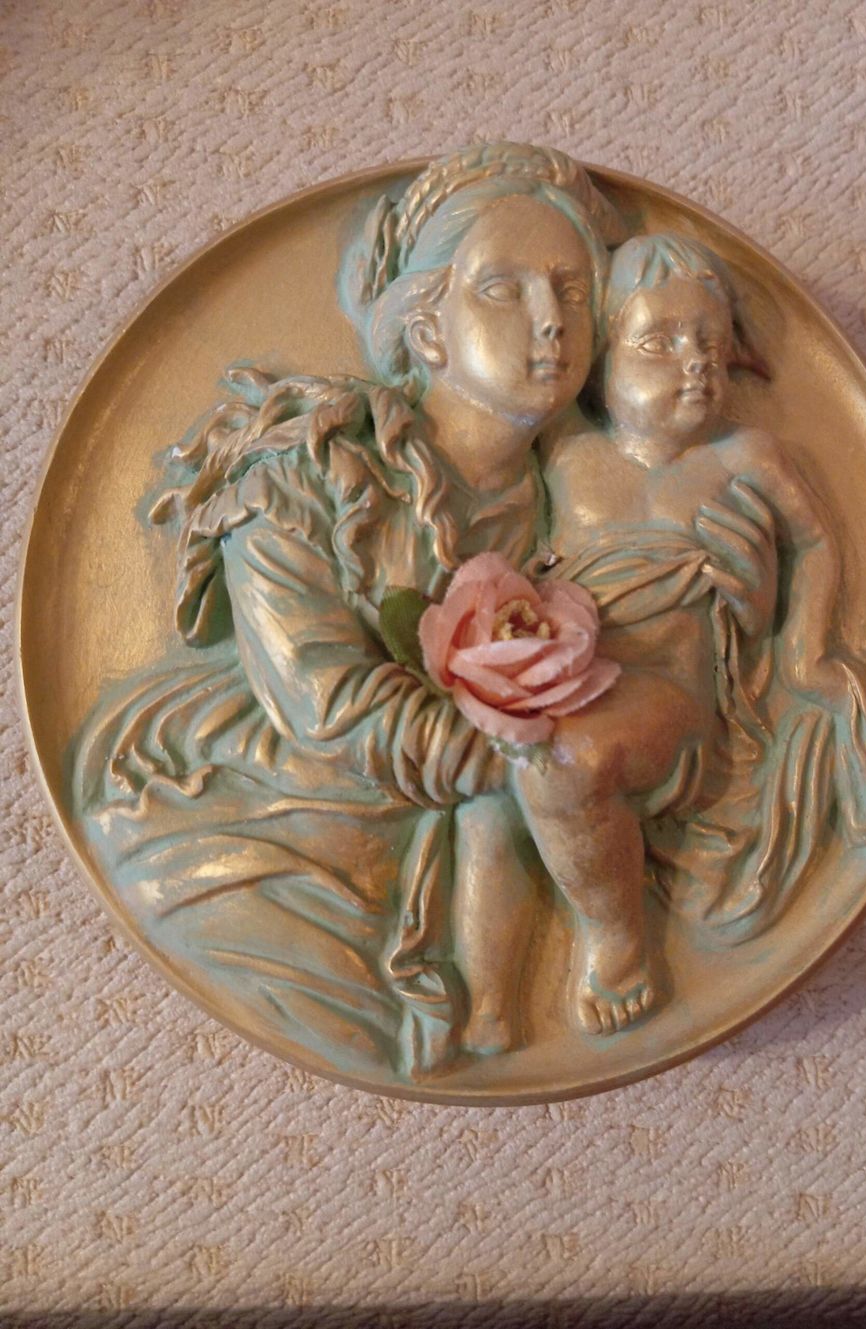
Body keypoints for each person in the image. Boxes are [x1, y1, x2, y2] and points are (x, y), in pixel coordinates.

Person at [71, 143, 626, 1081]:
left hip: (458, 870)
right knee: (352, 1028)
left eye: (572, 290)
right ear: (429, 325)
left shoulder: (589, 493)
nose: (550, 319)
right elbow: (324, 700)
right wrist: (544, 763)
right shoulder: (305, 468)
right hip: (268, 839)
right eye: (504, 288)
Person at [458, 232, 866, 1042]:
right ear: (599, 358)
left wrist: (805, 648)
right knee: (487, 804)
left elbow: (816, 540)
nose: (695, 364)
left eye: (711, 343)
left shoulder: (744, 456)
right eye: (658, 343)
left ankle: (618, 943)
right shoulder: (568, 450)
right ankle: (485, 1006)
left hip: (668, 697)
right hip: (556, 682)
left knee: (568, 761)